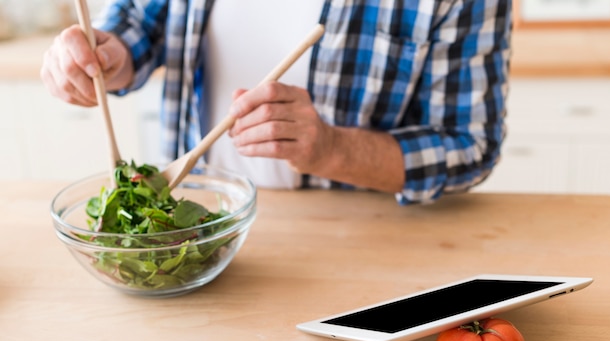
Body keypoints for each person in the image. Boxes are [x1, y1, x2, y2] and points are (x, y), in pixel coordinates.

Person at [40, 0, 512, 205]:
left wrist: (331, 149)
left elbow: (469, 146)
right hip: (192, 216)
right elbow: (140, 21)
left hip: (350, 240)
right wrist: (105, 57)